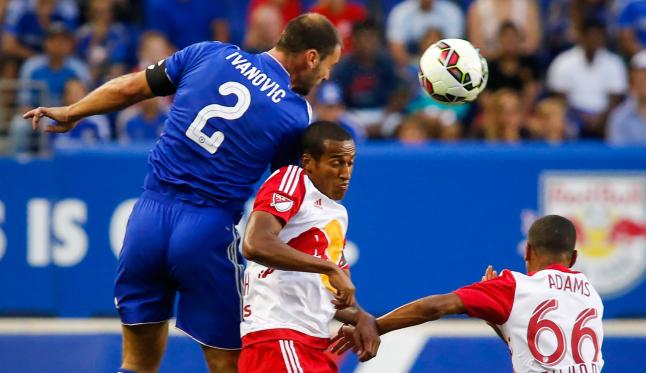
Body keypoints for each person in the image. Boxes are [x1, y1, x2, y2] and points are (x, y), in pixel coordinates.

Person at [24, 13, 343, 373]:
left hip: (146, 220)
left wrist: (73, 111)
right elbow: (282, 192)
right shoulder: (294, 111)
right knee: (229, 364)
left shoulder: (209, 53)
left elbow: (131, 87)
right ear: (312, 57)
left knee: (136, 363)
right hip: (206, 231)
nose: (327, 77)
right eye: (329, 65)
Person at [332, 215, 605, 372]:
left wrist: (377, 326)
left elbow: (437, 306)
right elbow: (538, 354)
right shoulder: (591, 297)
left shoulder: (515, 287)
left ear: (528, 252)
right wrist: (498, 319)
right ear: (574, 258)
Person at [239, 121, 378, 372]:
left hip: (312, 343)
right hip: (279, 336)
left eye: (350, 163)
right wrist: (329, 268)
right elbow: (254, 243)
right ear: (308, 162)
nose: (345, 173)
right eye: (336, 162)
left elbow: (335, 294)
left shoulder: (337, 214)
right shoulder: (293, 179)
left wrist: (361, 316)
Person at [547, 19, 627, 139]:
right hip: (573, 115)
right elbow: (559, 98)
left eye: (598, 36)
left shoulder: (613, 63)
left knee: (620, 118)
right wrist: (581, 118)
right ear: (582, 37)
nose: (594, 40)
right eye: (590, 36)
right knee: (557, 116)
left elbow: (616, 99)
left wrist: (600, 119)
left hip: (605, 117)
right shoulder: (563, 62)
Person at [386, 0, 464, 67]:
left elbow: (455, 48)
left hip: (445, 64)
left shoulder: (451, 11)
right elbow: (397, 50)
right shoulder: (401, 12)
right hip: (412, 67)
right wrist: (415, 70)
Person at [467, 0, 540, 58]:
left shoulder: (527, 6)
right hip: (490, 65)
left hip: (522, 64)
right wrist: (501, 55)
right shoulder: (477, 8)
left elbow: (532, 44)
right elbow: (477, 46)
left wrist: (511, 54)